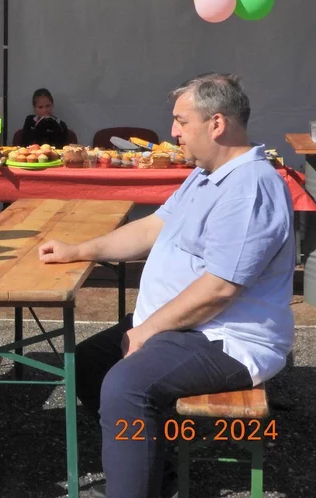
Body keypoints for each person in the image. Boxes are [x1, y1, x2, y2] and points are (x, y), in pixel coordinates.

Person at [38, 73, 295, 498]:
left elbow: (220, 289)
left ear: (216, 124)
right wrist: (79, 250)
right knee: (88, 363)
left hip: (225, 338)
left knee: (126, 386)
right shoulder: (207, 174)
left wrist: (147, 330)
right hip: (188, 326)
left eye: (181, 121)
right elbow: (152, 227)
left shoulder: (249, 187)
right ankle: (153, 474)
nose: (173, 131)